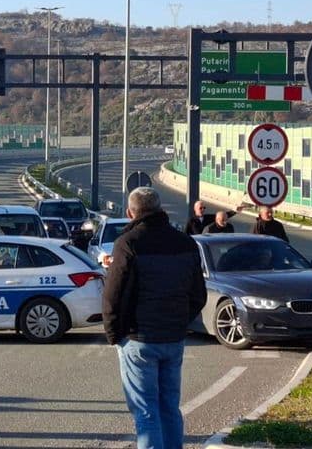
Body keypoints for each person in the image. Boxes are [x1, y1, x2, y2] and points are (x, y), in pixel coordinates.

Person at [102, 187, 207, 449]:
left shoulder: (128, 243)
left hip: (139, 338)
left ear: (130, 213)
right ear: (160, 209)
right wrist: (180, 321)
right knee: (170, 407)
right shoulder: (185, 243)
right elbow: (199, 295)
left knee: (145, 411)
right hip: (173, 337)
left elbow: (113, 294)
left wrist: (114, 333)